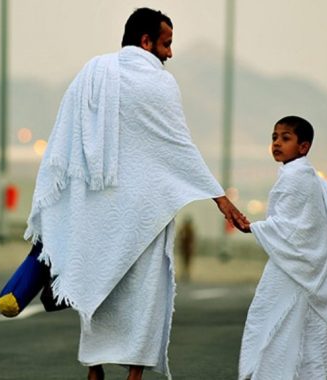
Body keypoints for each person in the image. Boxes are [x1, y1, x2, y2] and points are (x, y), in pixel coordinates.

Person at [23, 8, 248, 380]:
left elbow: (66, 141)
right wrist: (220, 198)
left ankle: (94, 372)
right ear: (146, 42)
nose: (170, 54)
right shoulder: (158, 83)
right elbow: (178, 147)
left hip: (96, 209)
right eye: (167, 44)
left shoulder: (91, 74)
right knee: (144, 296)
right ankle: (133, 376)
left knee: (97, 288)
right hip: (145, 212)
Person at [238, 116, 327, 379]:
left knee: (272, 322)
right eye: (274, 137)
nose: (277, 143)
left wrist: (253, 227)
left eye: (285, 138)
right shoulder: (303, 174)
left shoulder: (297, 177)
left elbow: (295, 229)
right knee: (305, 330)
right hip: (303, 268)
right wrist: (260, 227)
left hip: (293, 269)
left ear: (303, 146)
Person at [177, 216, 196, 282]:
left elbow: (192, 240)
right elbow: (180, 238)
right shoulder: (183, 230)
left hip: (188, 250)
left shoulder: (190, 230)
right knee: (183, 262)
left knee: (187, 263)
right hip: (184, 249)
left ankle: (187, 274)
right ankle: (184, 274)